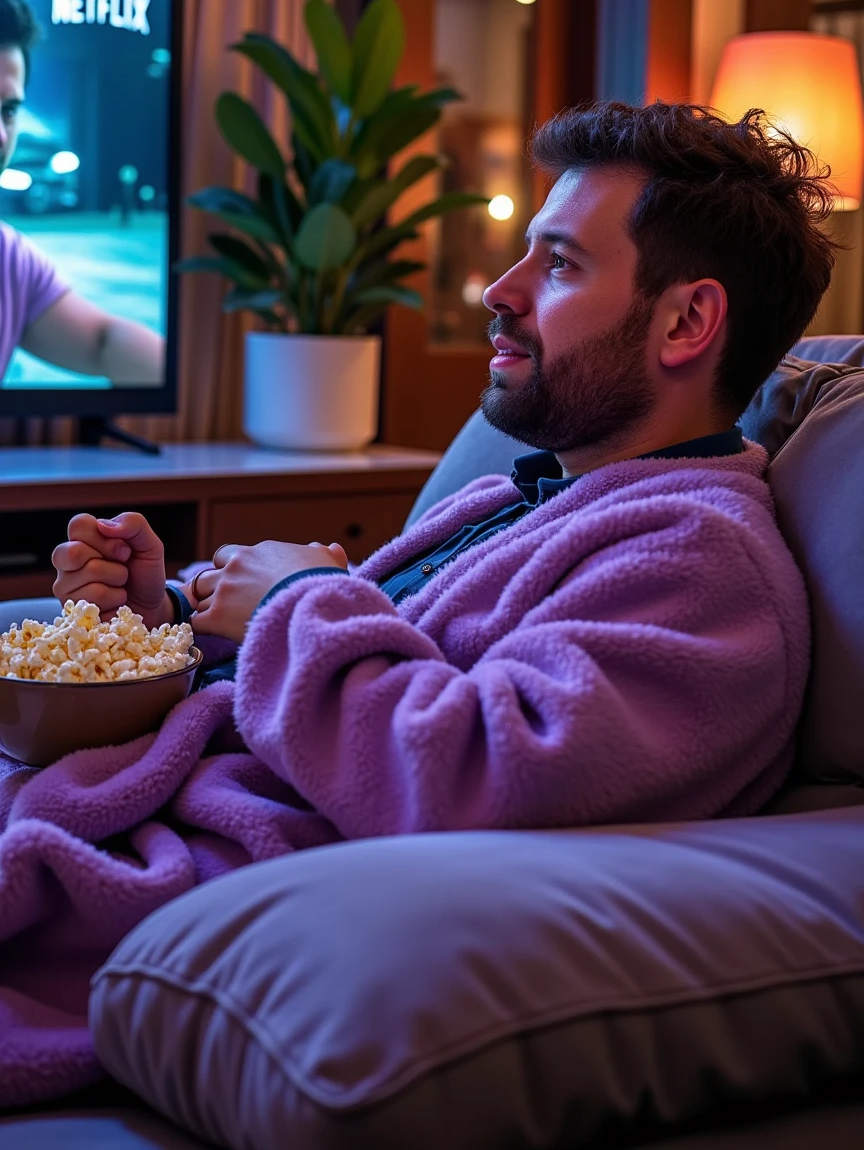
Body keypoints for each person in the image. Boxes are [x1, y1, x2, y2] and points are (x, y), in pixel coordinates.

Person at [52, 102, 838, 833]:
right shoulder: (518, 501)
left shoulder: (699, 564)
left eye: (560, 265)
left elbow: (477, 775)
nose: (499, 290)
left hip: (212, 867)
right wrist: (160, 628)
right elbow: (369, 649)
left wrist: (293, 602)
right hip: (151, 800)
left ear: (687, 322)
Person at [0, 0, 164, 384]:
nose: (2, 137)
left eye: (8, 110)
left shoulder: (10, 262)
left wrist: (184, 372)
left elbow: (102, 343)